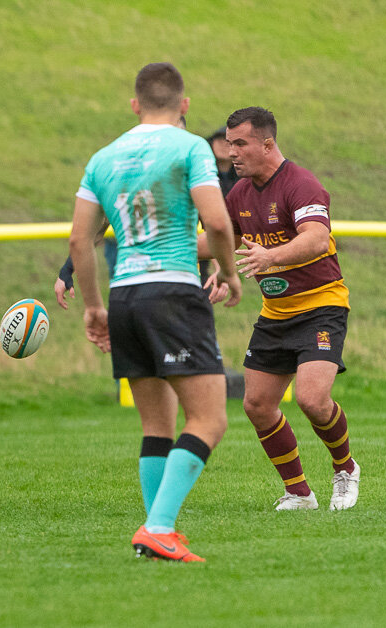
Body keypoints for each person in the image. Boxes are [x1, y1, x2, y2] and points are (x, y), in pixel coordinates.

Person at [69, 63, 241, 562]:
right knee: (209, 418)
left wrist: (94, 307)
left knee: (156, 425)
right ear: (184, 105)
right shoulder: (189, 147)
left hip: (123, 295)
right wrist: (229, 274)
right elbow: (216, 221)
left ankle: (154, 532)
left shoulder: (102, 157)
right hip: (172, 290)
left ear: (134, 105)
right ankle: (160, 526)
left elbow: (81, 240)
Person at [220, 106, 359, 512]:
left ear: (267, 144)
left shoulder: (301, 184)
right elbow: (221, 243)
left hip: (321, 307)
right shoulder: (239, 194)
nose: (232, 152)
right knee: (257, 405)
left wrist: (271, 257)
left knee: (312, 399)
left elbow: (316, 239)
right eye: (229, 144)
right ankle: (299, 493)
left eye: (240, 143)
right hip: (275, 313)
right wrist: (208, 266)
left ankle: (345, 469)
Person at [207, 126, 240, 196]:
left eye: (229, 142)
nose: (224, 145)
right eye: (219, 140)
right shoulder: (204, 172)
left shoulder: (247, 176)